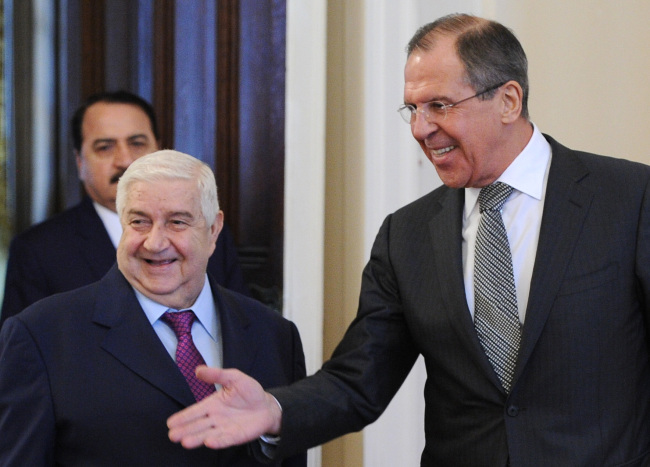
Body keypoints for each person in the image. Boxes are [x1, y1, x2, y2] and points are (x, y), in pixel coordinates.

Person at [165, 13, 650, 466]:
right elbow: (359, 379)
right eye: (413, 109)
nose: (421, 129)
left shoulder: (629, 200)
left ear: (508, 100)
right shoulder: (407, 236)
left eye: (439, 105)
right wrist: (275, 410)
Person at [0, 150, 307, 466]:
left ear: (213, 230)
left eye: (177, 222)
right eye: (139, 222)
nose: (155, 242)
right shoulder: (42, 334)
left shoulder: (275, 335)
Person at [0, 90, 249, 327]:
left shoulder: (204, 231)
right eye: (105, 147)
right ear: (80, 162)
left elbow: (239, 325)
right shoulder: (37, 250)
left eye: (137, 143)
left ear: (160, 150)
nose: (126, 160)